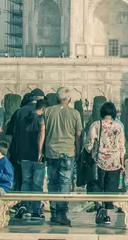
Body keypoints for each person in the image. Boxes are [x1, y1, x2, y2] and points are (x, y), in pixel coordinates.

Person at [39, 87, 81, 226]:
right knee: (65, 183)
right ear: (69, 99)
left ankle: (54, 213)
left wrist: (40, 151)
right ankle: (62, 213)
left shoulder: (48, 111)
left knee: (53, 182)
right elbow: (78, 135)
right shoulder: (75, 113)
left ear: (57, 98)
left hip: (51, 152)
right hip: (68, 153)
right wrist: (78, 150)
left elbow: (42, 132)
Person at [85, 100, 125, 225]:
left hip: (99, 161)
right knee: (110, 189)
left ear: (101, 112)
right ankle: (107, 216)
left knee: (96, 186)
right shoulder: (118, 127)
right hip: (114, 162)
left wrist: (89, 151)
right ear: (113, 113)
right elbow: (122, 147)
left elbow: (90, 143)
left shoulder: (96, 125)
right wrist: (122, 163)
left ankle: (99, 207)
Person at [15, 98, 47, 220]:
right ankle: (35, 210)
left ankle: (23, 205)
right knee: (37, 183)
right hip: (37, 156)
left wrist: (18, 153)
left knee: (26, 181)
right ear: (43, 109)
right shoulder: (41, 120)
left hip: (24, 155)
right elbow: (42, 136)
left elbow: (17, 137)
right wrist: (41, 153)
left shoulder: (24, 119)